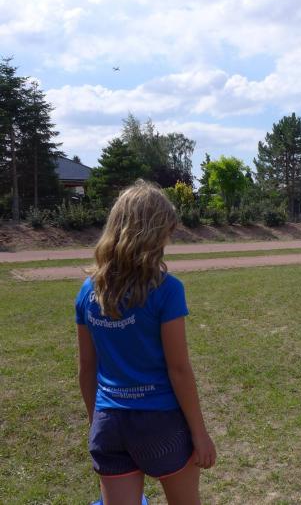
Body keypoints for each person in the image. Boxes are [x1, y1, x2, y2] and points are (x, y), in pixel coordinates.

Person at [76, 180, 216, 505]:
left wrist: (97, 422)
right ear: (153, 234)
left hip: (109, 422)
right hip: (161, 422)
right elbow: (178, 369)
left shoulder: (88, 291)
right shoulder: (167, 289)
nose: (168, 240)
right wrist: (199, 434)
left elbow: (86, 369)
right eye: (167, 232)